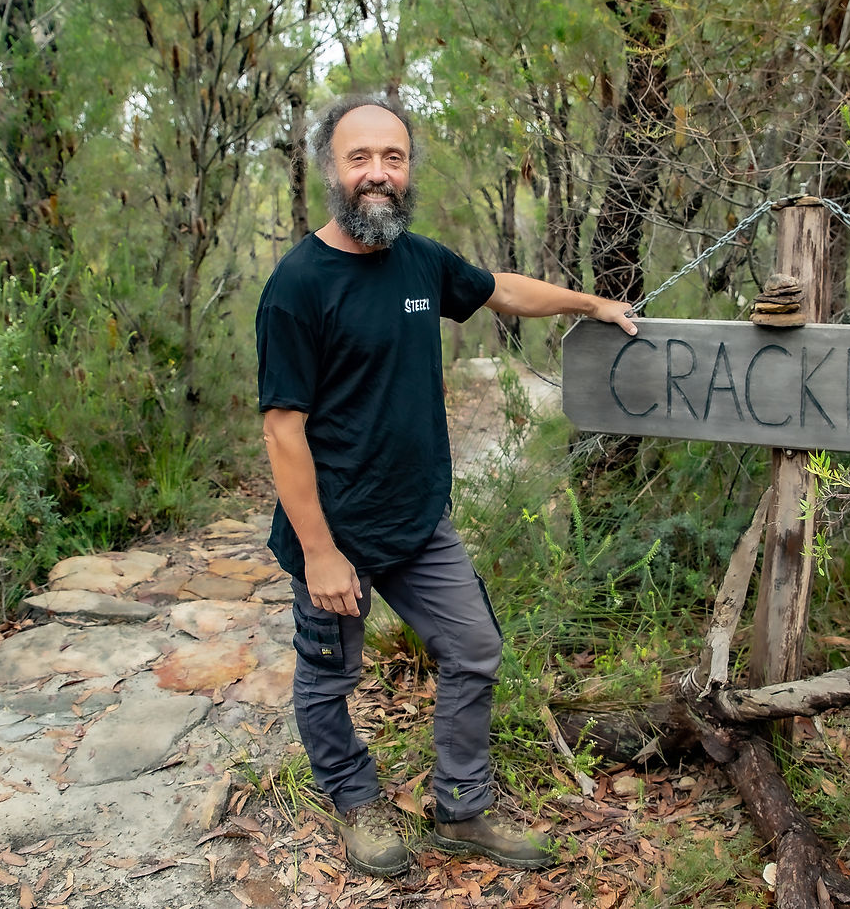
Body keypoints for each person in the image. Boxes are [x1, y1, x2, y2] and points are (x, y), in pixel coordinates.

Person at [255, 94, 638, 877]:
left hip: (417, 517)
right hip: (335, 532)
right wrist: (322, 554)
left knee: (473, 647)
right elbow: (281, 430)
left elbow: (502, 290)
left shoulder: (421, 261)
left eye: (392, 158)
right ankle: (357, 801)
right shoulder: (298, 284)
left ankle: (461, 807)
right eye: (360, 158)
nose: (377, 174)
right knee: (330, 675)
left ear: (407, 170)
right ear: (331, 166)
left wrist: (592, 303)